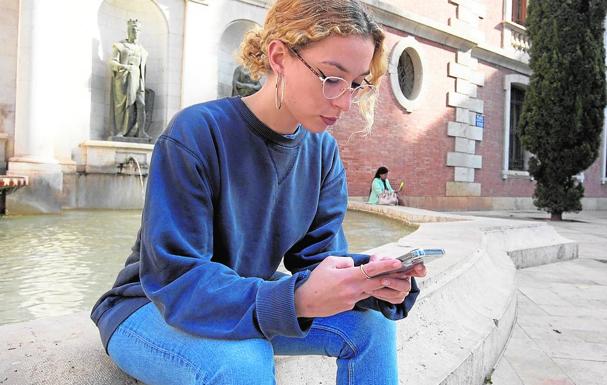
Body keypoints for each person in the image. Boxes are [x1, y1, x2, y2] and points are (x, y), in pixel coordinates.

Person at [91, 1, 426, 384]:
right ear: (280, 57)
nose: (345, 101)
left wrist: (373, 281)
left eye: (355, 84)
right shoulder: (196, 133)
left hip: (241, 302)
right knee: (243, 360)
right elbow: (177, 279)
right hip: (152, 304)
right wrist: (295, 299)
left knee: (372, 325)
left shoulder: (322, 151)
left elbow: (319, 260)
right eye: (332, 78)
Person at [110, 19, 151, 140]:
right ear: (128, 31)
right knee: (125, 105)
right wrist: (124, 67)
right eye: (133, 30)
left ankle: (141, 131)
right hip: (124, 78)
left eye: (137, 30)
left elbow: (142, 68)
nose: (135, 32)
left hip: (138, 79)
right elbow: (113, 62)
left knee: (141, 105)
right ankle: (121, 131)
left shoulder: (143, 50)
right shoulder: (119, 46)